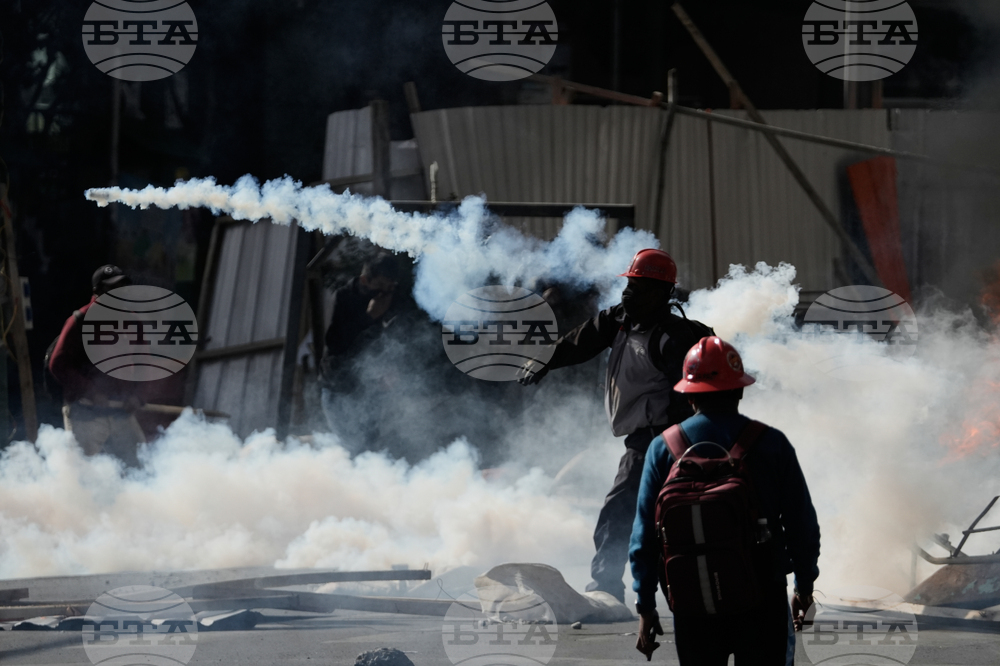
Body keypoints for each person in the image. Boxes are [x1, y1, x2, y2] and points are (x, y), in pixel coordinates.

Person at [518, 248, 714, 603]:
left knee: (622, 510)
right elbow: (580, 342)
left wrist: (681, 443)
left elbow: (693, 397)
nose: (629, 294)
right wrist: (545, 359)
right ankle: (674, 592)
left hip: (663, 440)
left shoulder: (673, 337)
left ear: (664, 293)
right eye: (630, 284)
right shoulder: (620, 319)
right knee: (649, 514)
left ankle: (609, 586)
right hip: (643, 439)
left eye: (641, 287)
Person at [629, 336, 821, 665]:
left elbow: (644, 536)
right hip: (762, 599)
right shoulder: (771, 443)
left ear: (689, 395)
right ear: (739, 390)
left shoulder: (663, 448)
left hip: (692, 601)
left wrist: (645, 606)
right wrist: (804, 587)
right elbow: (801, 524)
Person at [48, 265, 146, 466]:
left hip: (121, 411)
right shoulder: (80, 321)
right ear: (98, 292)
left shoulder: (132, 321)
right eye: (113, 288)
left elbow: (144, 364)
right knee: (86, 470)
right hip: (86, 412)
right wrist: (91, 391)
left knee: (140, 464)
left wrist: (138, 396)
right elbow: (58, 364)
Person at [320, 252, 400, 445]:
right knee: (351, 445)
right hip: (339, 388)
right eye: (380, 285)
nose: (384, 292)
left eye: (390, 287)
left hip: (370, 388)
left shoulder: (391, 297)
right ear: (365, 280)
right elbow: (335, 344)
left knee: (371, 444)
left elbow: (393, 340)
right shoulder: (344, 297)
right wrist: (369, 317)